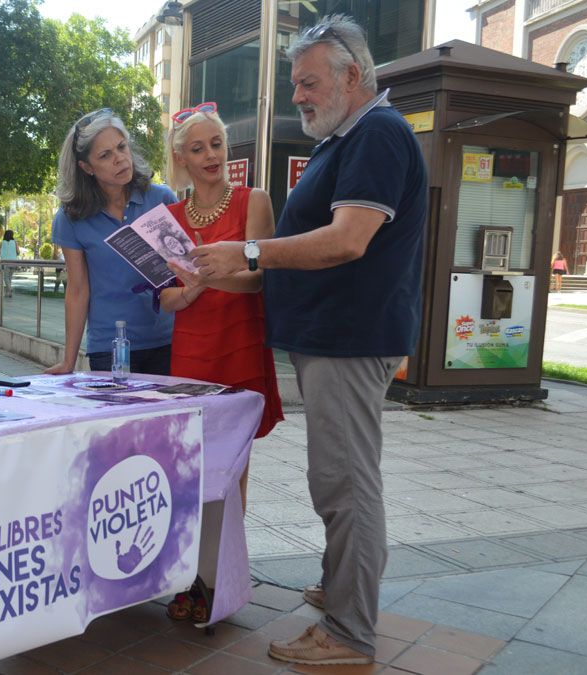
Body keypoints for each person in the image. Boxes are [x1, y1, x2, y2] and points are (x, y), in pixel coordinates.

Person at [188, 15, 426, 666]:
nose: (296, 95)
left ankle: (350, 633)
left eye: (307, 81)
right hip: (337, 337)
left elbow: (349, 239)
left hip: (350, 338)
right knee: (340, 478)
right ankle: (340, 587)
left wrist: (250, 250)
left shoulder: (376, 133)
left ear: (353, 75)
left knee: (344, 482)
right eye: (295, 83)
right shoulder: (352, 135)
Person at [157, 101, 285, 625]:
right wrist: (190, 290)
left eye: (217, 146)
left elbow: (261, 278)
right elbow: (165, 297)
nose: (211, 156)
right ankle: (192, 574)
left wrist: (206, 277)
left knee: (232, 470)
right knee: (190, 470)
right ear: (180, 158)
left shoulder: (255, 201)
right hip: (190, 347)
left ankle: (215, 582)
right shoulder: (167, 218)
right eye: (198, 148)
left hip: (239, 341)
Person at [46, 108, 178, 374]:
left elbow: (183, 267)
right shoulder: (71, 217)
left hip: (170, 341)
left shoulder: (161, 199)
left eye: (121, 147)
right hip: (110, 350)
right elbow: (77, 289)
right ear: (86, 167)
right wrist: (68, 362)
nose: (120, 159)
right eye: (105, 155)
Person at [0, 230, 19, 298]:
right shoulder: (15, 242)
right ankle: (8, 293)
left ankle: (10, 289)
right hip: (14, 262)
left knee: (6, 278)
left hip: (5, 262)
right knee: (9, 278)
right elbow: (18, 252)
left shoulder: (2, 243)